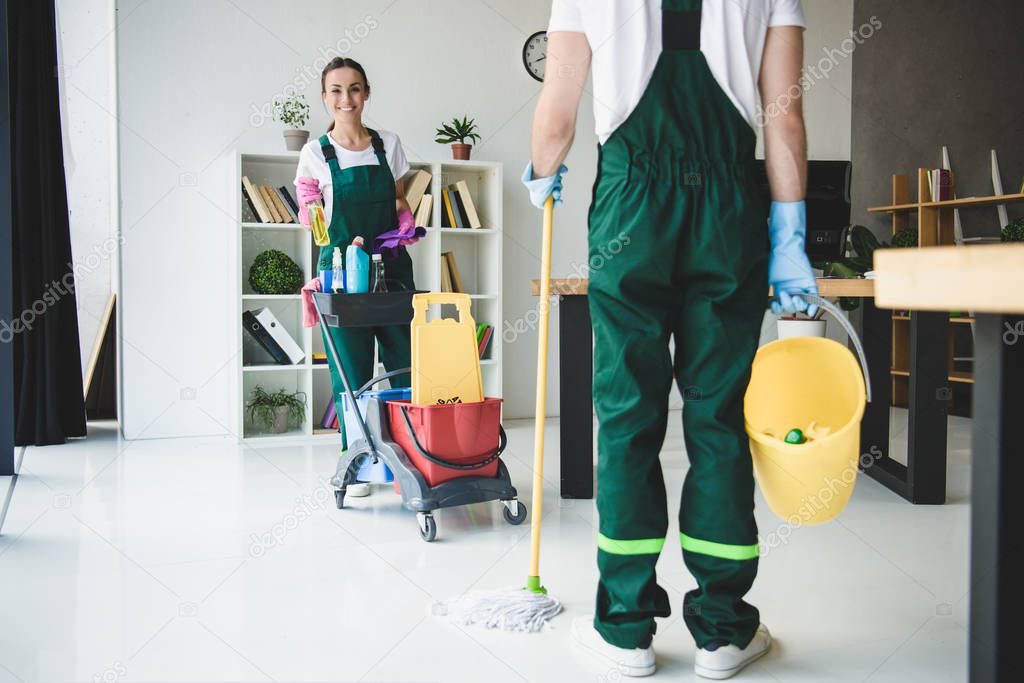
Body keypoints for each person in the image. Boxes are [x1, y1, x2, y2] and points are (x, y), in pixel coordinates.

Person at [522, 0, 817, 679]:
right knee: (719, 416)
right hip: (729, 207)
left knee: (627, 417)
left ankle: (625, 629)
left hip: (632, 205)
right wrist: (791, 235)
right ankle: (721, 630)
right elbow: (785, 120)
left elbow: (557, 118)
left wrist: (543, 172)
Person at [295, 57, 419, 496]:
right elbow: (313, 222)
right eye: (336, 90)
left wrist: (406, 220)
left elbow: (400, 198)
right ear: (325, 97)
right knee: (351, 369)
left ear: (366, 93)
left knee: (405, 366)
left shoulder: (388, 143)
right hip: (342, 275)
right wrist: (308, 206)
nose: (345, 99)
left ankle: (412, 454)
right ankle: (360, 460)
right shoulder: (314, 153)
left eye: (354, 89)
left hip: (390, 268)